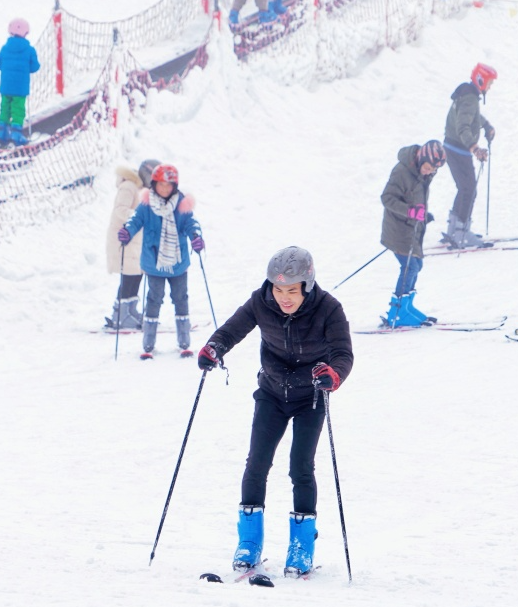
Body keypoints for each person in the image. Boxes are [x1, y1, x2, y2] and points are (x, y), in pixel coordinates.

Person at [197, 246, 353, 578]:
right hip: (271, 393)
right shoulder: (261, 301)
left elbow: (343, 352)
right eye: (278, 289)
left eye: (291, 291)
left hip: (311, 396)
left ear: (307, 286)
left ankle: (301, 545)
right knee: (257, 463)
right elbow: (231, 330)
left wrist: (333, 374)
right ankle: (249, 541)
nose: (283, 297)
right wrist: (214, 348)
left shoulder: (329, 309)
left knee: (301, 467)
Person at [117, 163, 203, 359]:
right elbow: (135, 220)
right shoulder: (146, 205)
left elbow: (191, 223)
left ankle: (184, 342)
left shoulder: (182, 205)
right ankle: (148, 344)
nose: (165, 189)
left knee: (181, 299)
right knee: (154, 300)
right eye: (161, 184)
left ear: (175, 186)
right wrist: (127, 232)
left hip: (178, 264)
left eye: (169, 185)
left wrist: (196, 237)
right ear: (154, 184)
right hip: (154, 263)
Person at [379, 140, 447, 327]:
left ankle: (405, 307)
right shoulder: (401, 171)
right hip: (398, 228)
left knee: (416, 264)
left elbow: (415, 196)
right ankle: (397, 312)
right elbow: (387, 198)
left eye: (433, 170)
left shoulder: (422, 172)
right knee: (410, 266)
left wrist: (423, 216)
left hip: (412, 228)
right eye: (427, 168)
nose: (429, 172)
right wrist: (410, 211)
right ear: (420, 158)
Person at [442, 62, 498, 249]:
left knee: (464, 188)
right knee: (469, 190)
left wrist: (485, 124)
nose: (490, 87)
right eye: (489, 83)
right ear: (481, 80)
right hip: (459, 149)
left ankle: (453, 229)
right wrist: (475, 148)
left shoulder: (467, 94)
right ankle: (461, 232)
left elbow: (470, 116)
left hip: (452, 147)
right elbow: (462, 126)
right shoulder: (470, 98)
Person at [104, 159, 158, 330]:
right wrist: (140, 216)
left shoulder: (141, 189)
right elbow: (120, 210)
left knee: (137, 274)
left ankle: (130, 311)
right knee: (129, 275)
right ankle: (120, 314)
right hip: (123, 239)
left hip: (135, 240)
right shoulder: (128, 186)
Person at [0, 18, 41, 146]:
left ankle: (2, 133)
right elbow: (35, 67)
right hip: (20, 87)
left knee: (5, 108)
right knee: (18, 109)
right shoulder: (29, 50)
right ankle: (16, 134)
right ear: (26, 33)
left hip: (6, 86)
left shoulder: (4, 48)